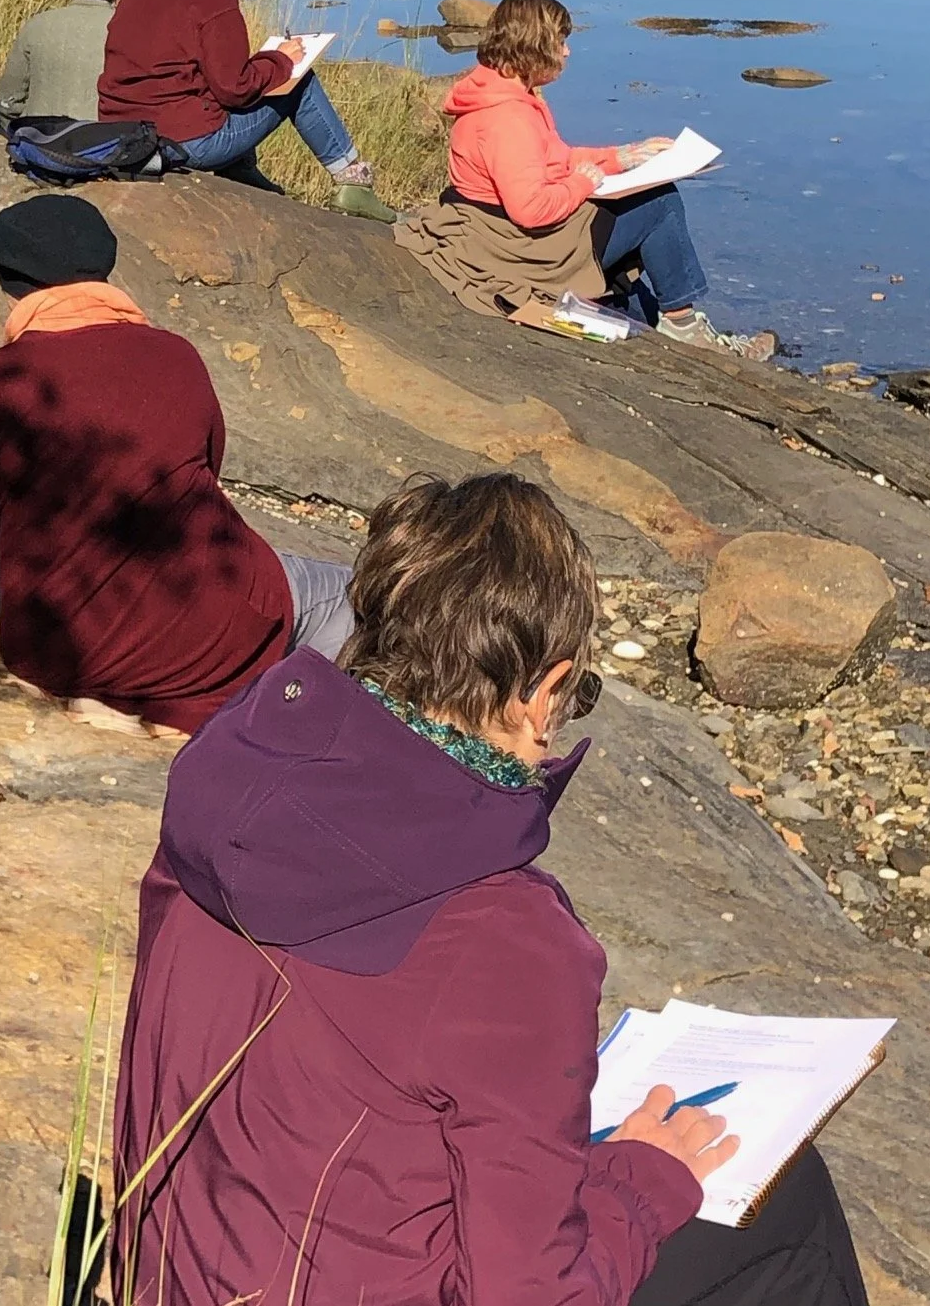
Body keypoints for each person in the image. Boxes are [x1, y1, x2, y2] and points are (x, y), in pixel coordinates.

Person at [113, 471, 869, 1306]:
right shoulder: (501, 935)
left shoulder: (218, 788)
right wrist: (641, 1182)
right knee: (787, 1206)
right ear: (543, 691)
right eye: (573, 696)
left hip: (179, 1281)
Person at [0, 194, 353, 736]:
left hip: (56, 655)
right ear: (105, 270)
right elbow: (205, 477)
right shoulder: (175, 354)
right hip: (216, 633)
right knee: (358, 589)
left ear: (8, 284)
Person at [396, 0, 775, 359]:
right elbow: (530, 209)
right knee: (660, 203)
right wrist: (585, 182)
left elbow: (553, 159)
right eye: (561, 41)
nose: (567, 51)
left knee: (637, 248)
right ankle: (685, 327)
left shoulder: (498, 92)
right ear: (536, 45)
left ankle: (672, 322)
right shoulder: (507, 118)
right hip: (517, 246)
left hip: (495, 230)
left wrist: (623, 157)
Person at [98, 0, 396, 222]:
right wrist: (282, 61)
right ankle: (352, 180)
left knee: (230, 86)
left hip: (125, 133)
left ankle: (240, 170)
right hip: (185, 142)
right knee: (300, 80)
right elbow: (234, 88)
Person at [0, 0, 133, 118]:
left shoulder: (37, 25)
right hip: (101, 139)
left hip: (40, 137)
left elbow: (5, 100)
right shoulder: (128, 30)